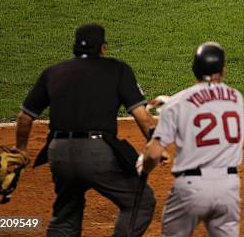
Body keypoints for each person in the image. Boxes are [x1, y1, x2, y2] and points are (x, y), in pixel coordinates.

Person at [14, 23, 158, 237]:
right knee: (141, 201)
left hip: (58, 152)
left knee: (65, 217)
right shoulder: (117, 69)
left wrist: (22, 149)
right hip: (97, 153)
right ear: (102, 48)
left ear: (75, 47)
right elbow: (143, 117)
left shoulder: (53, 72)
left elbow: (25, 118)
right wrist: (156, 143)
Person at [142, 42, 244, 237]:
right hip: (228, 187)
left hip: (191, 189)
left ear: (195, 69)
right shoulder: (237, 98)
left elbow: (154, 153)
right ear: (223, 70)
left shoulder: (177, 103)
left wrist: (144, 168)